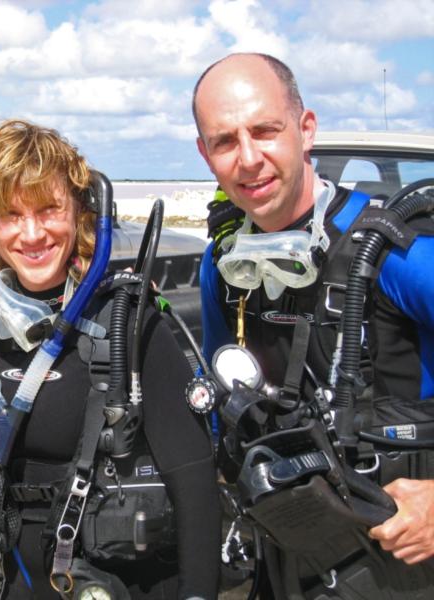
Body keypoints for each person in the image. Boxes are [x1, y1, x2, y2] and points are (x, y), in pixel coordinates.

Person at [0, 119, 220, 599]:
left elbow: (195, 483)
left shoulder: (127, 325)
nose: (33, 233)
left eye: (48, 209)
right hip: (20, 580)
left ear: (80, 214)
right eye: (11, 214)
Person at [193, 53, 434, 597]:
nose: (249, 159)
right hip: (292, 563)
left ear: (305, 130)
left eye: (265, 131)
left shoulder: (397, 255)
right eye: (225, 141)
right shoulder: (224, 266)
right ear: (205, 155)